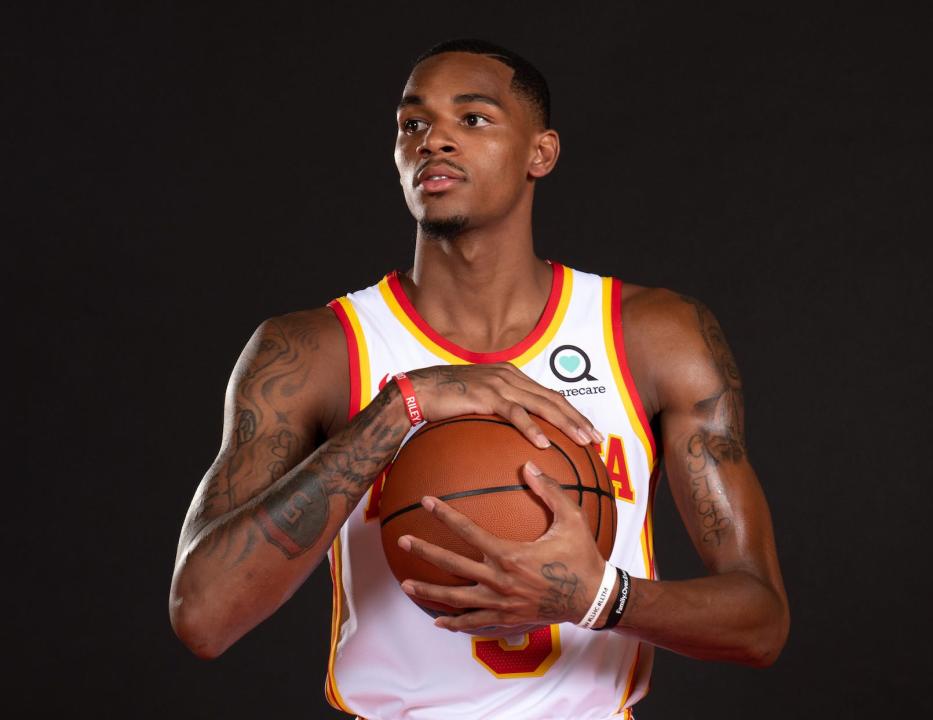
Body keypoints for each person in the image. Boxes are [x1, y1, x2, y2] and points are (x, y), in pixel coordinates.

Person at [169, 39, 789, 719]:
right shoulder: (314, 350)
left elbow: (759, 622)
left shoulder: (652, 335)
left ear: (540, 153)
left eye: (473, 119)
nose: (434, 139)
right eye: (414, 124)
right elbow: (203, 614)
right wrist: (401, 407)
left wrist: (599, 596)